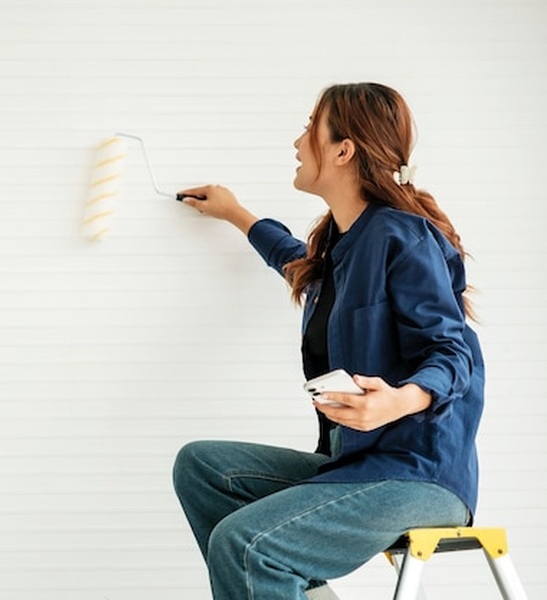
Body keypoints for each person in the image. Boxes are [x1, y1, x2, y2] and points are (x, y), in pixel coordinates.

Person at [172, 83, 484, 600]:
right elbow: (298, 263)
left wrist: (399, 401)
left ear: (343, 149)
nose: (297, 143)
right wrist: (236, 213)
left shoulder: (404, 236)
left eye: (308, 127)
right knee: (202, 466)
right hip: (358, 464)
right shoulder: (340, 243)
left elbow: (453, 351)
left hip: (419, 475)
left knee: (245, 544)